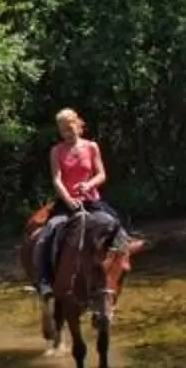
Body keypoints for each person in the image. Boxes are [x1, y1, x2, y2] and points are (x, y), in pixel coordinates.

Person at [32, 108, 127, 306]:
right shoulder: (56, 151)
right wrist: (67, 199)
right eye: (62, 130)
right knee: (47, 233)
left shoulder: (91, 147)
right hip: (66, 203)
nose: (66, 133)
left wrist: (89, 184)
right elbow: (56, 179)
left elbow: (101, 174)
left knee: (115, 225)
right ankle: (44, 282)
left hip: (91, 200)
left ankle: (118, 269)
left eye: (69, 128)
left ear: (78, 125)